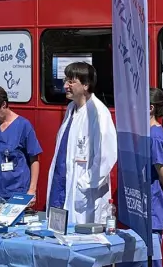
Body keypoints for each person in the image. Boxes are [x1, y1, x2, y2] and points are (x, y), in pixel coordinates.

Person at [122, 89, 163, 267]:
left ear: (151, 108)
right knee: (145, 266)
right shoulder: (150, 135)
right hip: (148, 210)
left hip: (152, 213)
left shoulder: (155, 137)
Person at [46, 61, 117, 226]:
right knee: (58, 235)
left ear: (85, 85)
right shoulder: (71, 108)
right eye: (66, 80)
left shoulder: (99, 113)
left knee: (80, 241)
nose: (65, 85)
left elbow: (107, 156)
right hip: (62, 185)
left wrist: (84, 183)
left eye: (71, 81)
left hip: (83, 192)